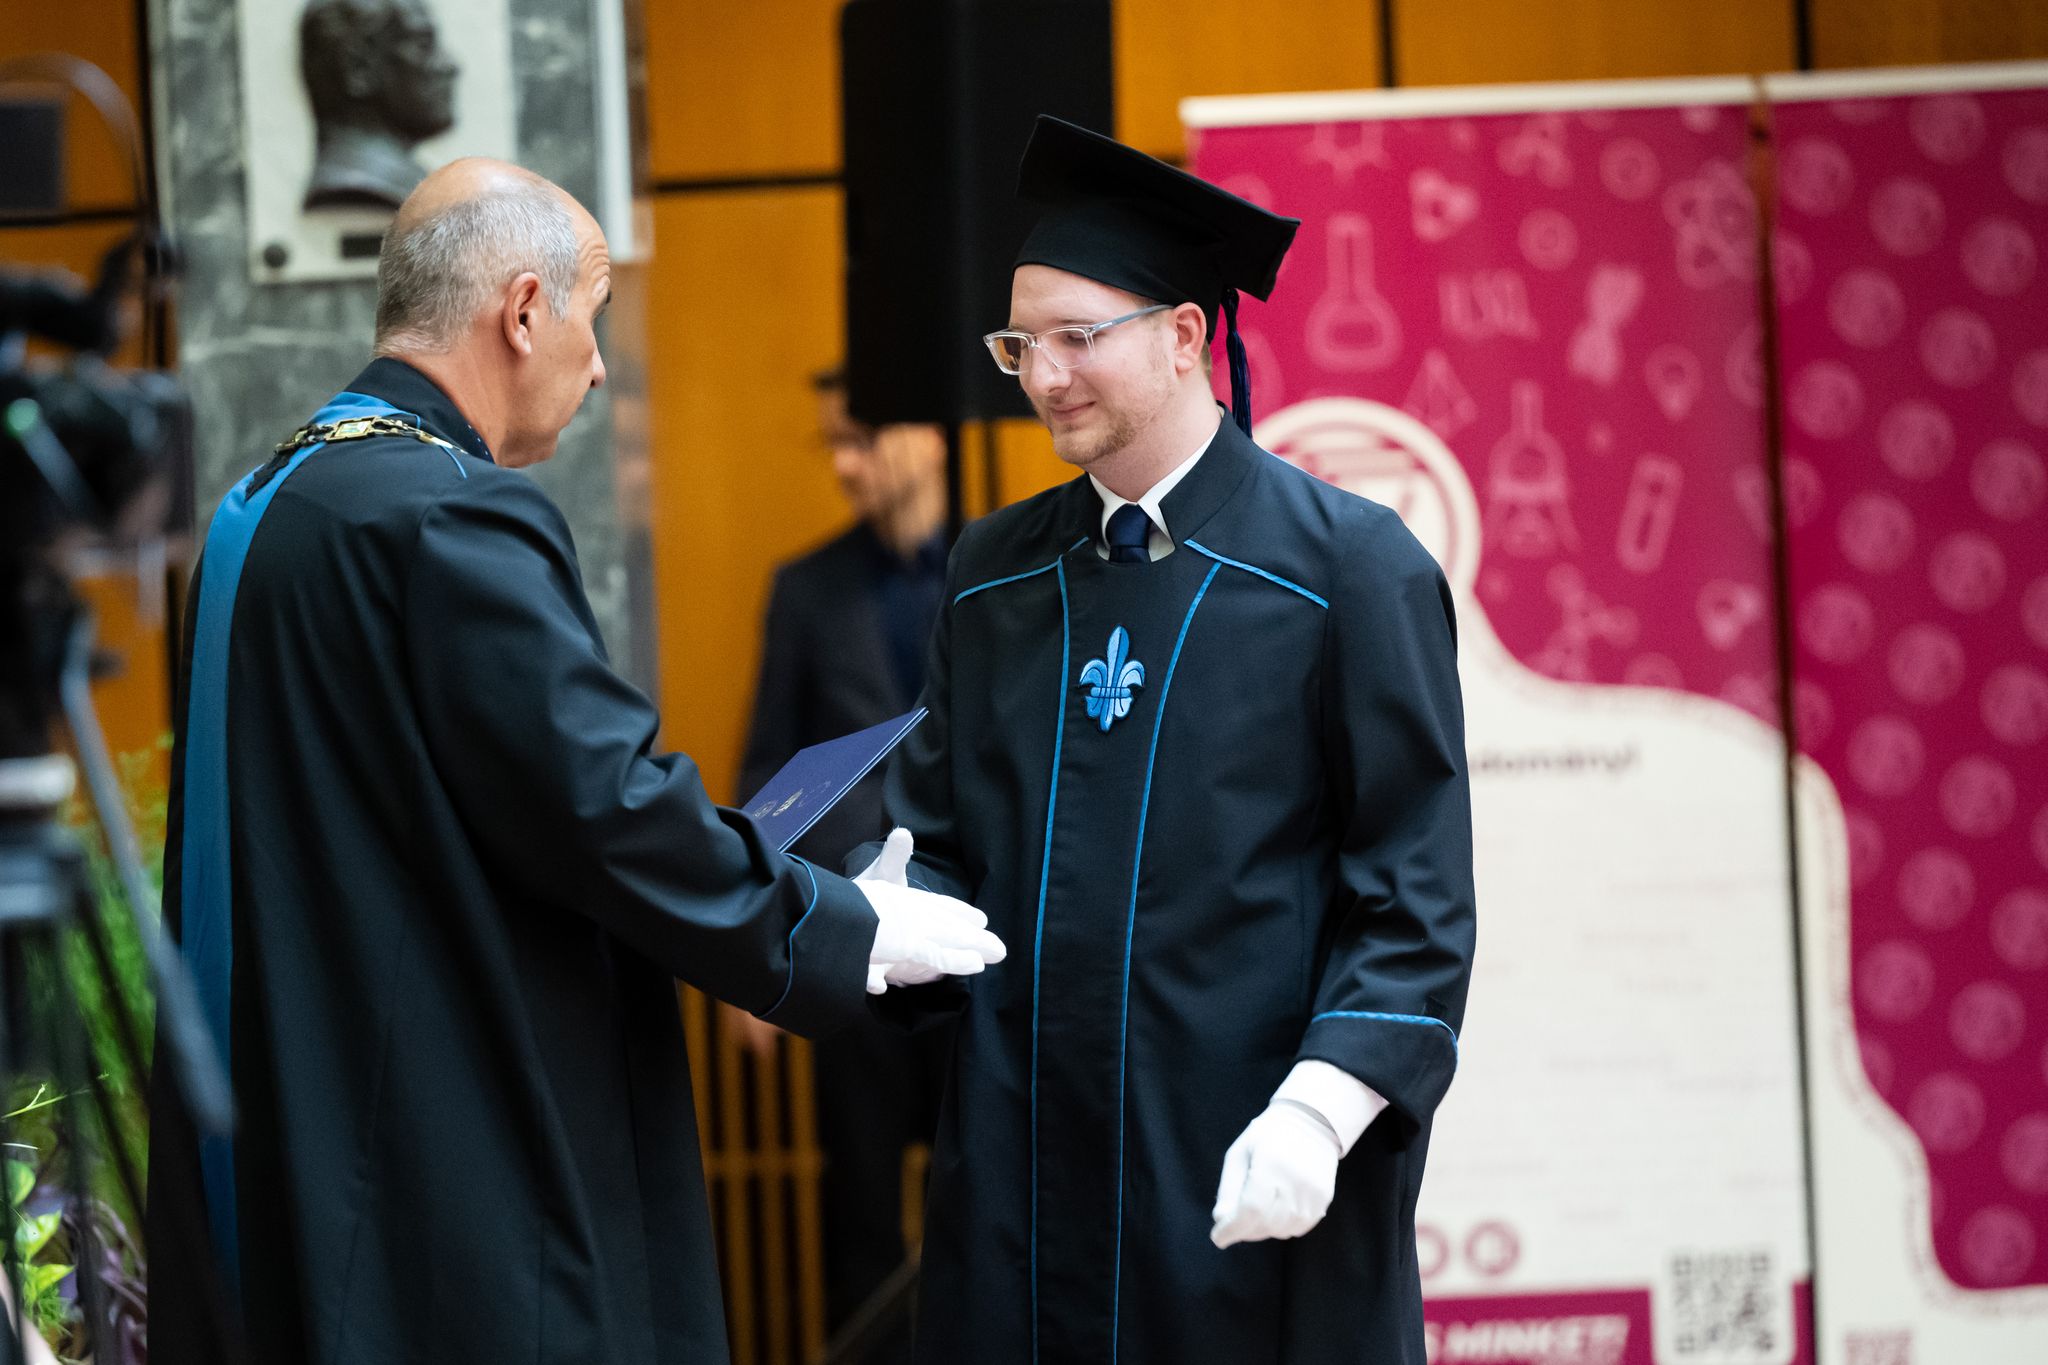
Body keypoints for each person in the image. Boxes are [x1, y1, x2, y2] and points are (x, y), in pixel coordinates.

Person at [146, 158, 1003, 1365]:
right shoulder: (451, 513)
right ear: (522, 310)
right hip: (456, 1141)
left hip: (302, 1111)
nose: (598, 368)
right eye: (591, 319)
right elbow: (601, 805)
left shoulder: (265, 499)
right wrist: (838, 927)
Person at [864, 117, 1476, 1365]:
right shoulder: (991, 577)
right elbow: (938, 843)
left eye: (1077, 338)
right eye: (1019, 345)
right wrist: (878, 905)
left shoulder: (1346, 574)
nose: (1043, 377)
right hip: (1023, 1181)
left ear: (1186, 335)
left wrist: (1321, 1109)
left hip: (1242, 1168)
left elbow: (1412, 899)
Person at [736, 370, 950, 1351]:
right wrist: (751, 942)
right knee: (857, 1206)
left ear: (931, 435)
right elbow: (767, 772)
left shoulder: (1002, 573)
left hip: (976, 941)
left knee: (984, 1191)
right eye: (831, 442)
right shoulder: (806, 588)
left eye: (859, 438)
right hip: (846, 941)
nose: (845, 465)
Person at [299, 0, 459, 210]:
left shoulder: (415, 188)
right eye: (424, 45)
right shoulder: (362, 184)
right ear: (359, 66)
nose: (450, 66)